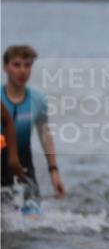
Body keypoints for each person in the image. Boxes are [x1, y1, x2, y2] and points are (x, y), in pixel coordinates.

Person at [2, 45, 66, 201]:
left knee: (32, 221)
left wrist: (54, 171)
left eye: (27, 65)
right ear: (5, 67)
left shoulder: (38, 100)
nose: (22, 71)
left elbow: (45, 136)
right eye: (16, 65)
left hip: (24, 167)